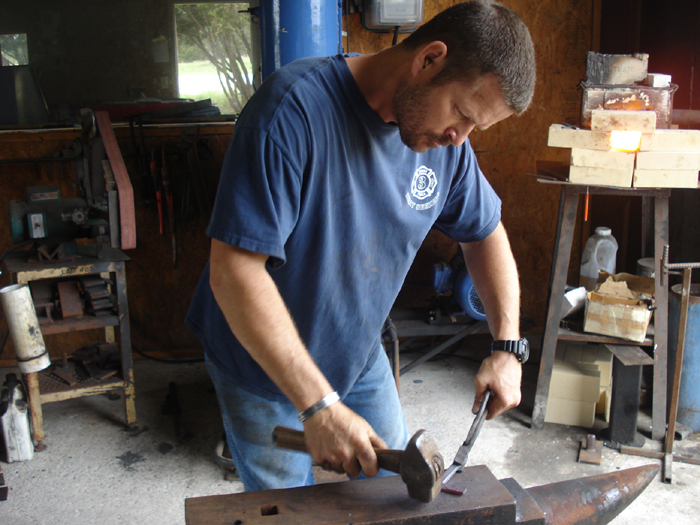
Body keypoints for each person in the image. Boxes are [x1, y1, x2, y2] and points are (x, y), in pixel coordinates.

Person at [186, 0, 536, 492]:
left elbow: (485, 233)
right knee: (287, 510)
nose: (461, 138)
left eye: (476, 126)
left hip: (355, 349)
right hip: (261, 366)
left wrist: (506, 347)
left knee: (396, 495)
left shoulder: (446, 147)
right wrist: (319, 406)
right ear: (429, 59)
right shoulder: (290, 112)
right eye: (462, 113)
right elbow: (233, 271)